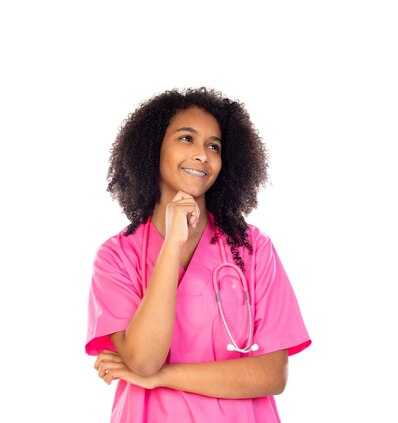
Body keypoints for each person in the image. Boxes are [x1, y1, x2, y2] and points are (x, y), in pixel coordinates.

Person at [85, 87, 311, 422]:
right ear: (153, 148)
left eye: (214, 146)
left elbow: (272, 375)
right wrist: (173, 242)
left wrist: (161, 376)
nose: (203, 154)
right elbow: (143, 359)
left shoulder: (253, 249)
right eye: (186, 138)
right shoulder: (117, 257)